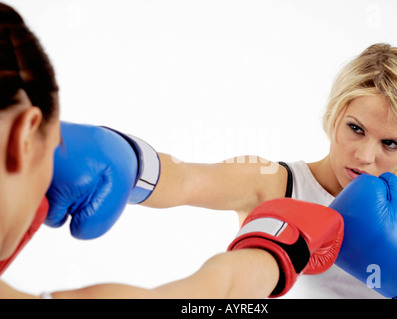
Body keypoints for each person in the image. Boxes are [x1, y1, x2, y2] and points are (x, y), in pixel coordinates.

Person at [0, 2, 345, 299]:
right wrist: (279, 251)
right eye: (355, 128)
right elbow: (210, 294)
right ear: (23, 136)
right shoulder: (274, 179)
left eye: (391, 142)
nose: (365, 155)